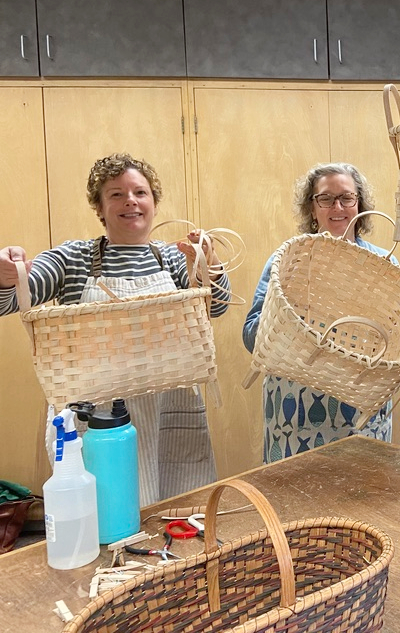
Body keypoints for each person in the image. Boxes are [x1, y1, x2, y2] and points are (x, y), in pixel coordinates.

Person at [0, 152, 231, 506]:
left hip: (169, 404)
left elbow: (216, 305)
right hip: (96, 417)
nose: (130, 202)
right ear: (99, 206)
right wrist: (8, 276)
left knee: (178, 509)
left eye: (140, 192)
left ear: (154, 202)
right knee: (105, 516)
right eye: (116, 194)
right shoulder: (72, 259)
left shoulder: (171, 258)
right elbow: (11, 300)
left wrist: (207, 264)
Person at [243, 162, 400, 463]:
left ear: (360, 204)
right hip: (293, 415)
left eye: (347, 197)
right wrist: (290, 318)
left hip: (361, 417)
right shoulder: (289, 261)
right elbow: (251, 335)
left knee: (362, 503)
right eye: (326, 198)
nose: (337, 206)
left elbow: (399, 344)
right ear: (312, 208)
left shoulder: (385, 266)